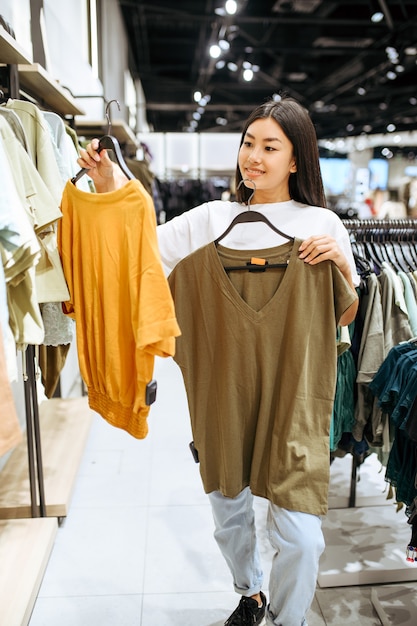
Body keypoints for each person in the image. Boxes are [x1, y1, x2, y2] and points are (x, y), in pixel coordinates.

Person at [77, 95, 359, 626]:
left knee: (301, 534)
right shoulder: (209, 220)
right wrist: (109, 188)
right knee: (230, 513)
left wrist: (341, 261)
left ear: (296, 160)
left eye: (270, 147)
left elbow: (343, 315)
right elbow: (138, 253)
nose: (254, 157)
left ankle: (288, 619)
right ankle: (249, 594)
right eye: (248, 144)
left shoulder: (321, 224)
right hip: (221, 395)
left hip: (295, 396)